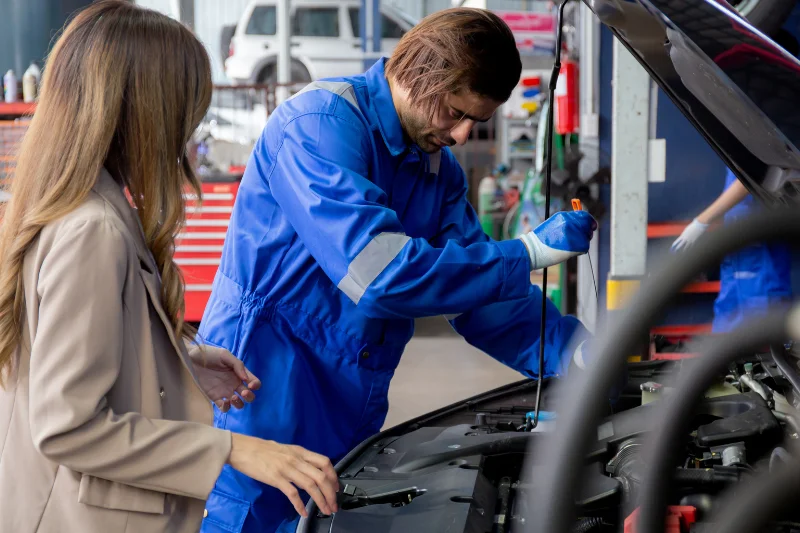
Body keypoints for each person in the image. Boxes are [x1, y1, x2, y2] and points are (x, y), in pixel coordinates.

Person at [199, 8, 596, 532]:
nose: (460, 133)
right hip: (266, 393)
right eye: (455, 112)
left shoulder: (436, 170)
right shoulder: (319, 126)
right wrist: (526, 253)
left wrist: (578, 352)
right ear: (422, 75)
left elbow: (481, 299)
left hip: (350, 406)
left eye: (475, 122)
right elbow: (378, 275)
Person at [0, 3, 339, 533]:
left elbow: (71, 350)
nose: (190, 131)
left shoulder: (73, 204)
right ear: (146, 111)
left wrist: (177, 360)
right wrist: (234, 449)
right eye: (186, 110)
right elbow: (67, 427)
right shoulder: (94, 229)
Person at [672, 168, 792, 332]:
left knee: (762, 330)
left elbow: (751, 176)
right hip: (738, 253)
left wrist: (701, 222)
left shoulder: (757, 144)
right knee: (725, 331)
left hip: (759, 251)